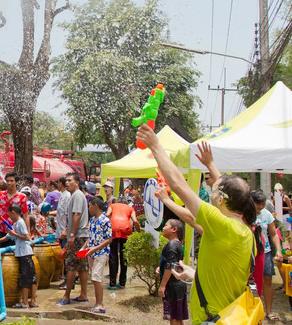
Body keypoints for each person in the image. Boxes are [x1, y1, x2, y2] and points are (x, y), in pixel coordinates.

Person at [137, 126, 256, 325]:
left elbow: (178, 185)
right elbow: (229, 193)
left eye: (213, 187)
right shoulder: (243, 230)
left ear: (222, 199)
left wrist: (155, 146)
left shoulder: (221, 225)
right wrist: (195, 274)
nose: (211, 188)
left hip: (212, 320)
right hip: (226, 317)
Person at [0, 204, 37, 308]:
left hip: (24, 254)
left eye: (10, 215)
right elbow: (7, 237)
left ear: (13, 213)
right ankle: (32, 301)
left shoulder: (20, 223)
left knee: (25, 279)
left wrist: (14, 235)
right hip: (23, 253)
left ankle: (25, 302)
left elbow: (27, 237)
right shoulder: (16, 224)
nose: (9, 217)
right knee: (31, 277)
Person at [58, 173, 89, 306]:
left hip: (77, 236)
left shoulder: (76, 195)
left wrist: (72, 234)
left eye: (70, 180)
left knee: (71, 266)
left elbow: (77, 215)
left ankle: (66, 296)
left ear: (77, 182)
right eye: (66, 181)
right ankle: (83, 294)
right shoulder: (76, 195)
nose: (67, 183)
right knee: (82, 267)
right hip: (80, 235)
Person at [251, 190, 282, 320]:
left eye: (262, 204)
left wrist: (279, 251)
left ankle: (268, 311)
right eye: (257, 204)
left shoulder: (267, 214)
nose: (260, 207)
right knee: (250, 282)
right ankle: (252, 309)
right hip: (250, 253)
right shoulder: (244, 214)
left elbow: (274, 233)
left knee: (267, 280)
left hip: (266, 252)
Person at [159, 219, 188, 325]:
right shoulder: (178, 244)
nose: (163, 227)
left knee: (174, 318)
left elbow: (170, 266)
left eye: (166, 225)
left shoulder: (172, 245)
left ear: (174, 229)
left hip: (173, 285)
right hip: (178, 284)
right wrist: (160, 268)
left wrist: (162, 286)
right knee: (177, 317)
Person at [86, 197, 112, 314]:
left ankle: (100, 303)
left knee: (97, 277)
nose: (89, 208)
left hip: (101, 252)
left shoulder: (105, 220)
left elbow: (109, 239)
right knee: (94, 277)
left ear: (95, 205)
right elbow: (90, 236)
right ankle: (97, 302)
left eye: (90, 205)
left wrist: (95, 249)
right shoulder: (92, 220)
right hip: (91, 252)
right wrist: (84, 248)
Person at [107, 196, 139, 289]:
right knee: (124, 256)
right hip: (126, 229)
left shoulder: (112, 205)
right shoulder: (130, 208)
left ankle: (112, 283)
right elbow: (135, 221)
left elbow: (107, 215)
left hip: (113, 229)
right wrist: (138, 231)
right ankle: (122, 283)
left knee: (113, 255)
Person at [0, 173, 30, 249]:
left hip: (14, 231)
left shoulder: (22, 197)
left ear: (17, 182)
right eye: (7, 181)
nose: (9, 183)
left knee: (11, 255)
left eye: (12, 181)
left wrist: (28, 233)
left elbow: (25, 215)